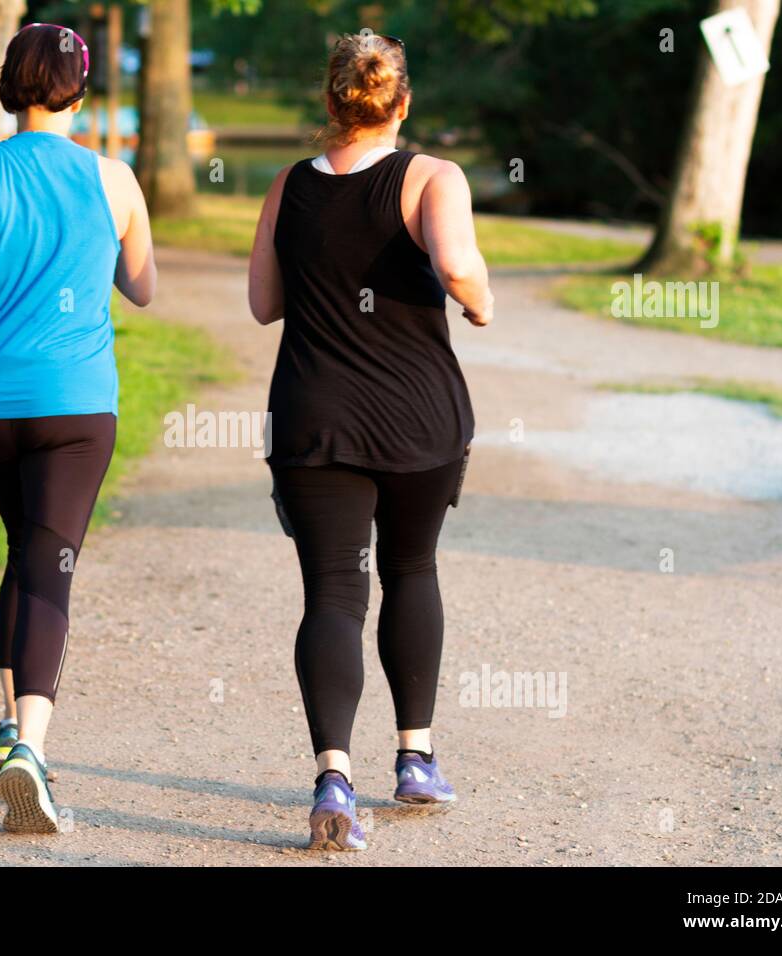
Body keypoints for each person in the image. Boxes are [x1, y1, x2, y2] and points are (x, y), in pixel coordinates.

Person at [0, 22, 156, 833]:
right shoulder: (114, 179)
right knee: (52, 566)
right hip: (74, 404)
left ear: (9, 85)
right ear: (79, 90)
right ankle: (31, 755)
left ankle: (13, 720)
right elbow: (143, 287)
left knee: (22, 549)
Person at [247, 31, 493, 851]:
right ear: (403, 101)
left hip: (316, 418)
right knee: (412, 568)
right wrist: (480, 300)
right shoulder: (432, 177)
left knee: (333, 594)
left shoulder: (288, 186)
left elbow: (262, 303)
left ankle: (332, 779)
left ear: (329, 102)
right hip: (418, 419)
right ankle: (415, 760)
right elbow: (458, 266)